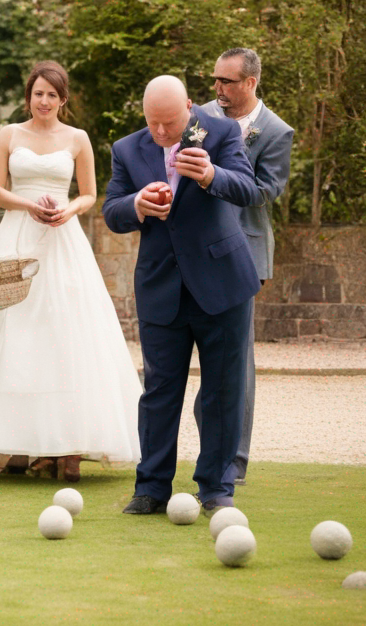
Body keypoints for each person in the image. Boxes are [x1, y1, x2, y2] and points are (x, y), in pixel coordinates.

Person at [0, 62, 142, 482]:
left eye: (52, 95)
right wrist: (29, 205)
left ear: (63, 100)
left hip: (61, 239)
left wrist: (65, 210)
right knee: (13, 335)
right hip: (18, 233)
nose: (44, 101)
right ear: (29, 96)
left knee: (64, 334)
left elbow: (88, 194)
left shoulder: (78, 139)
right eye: (38, 93)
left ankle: (68, 448)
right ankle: (13, 446)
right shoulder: (9, 134)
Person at [104, 76, 261, 514]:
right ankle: (151, 488)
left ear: (190, 107)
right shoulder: (126, 149)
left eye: (169, 123)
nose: (160, 133)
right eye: (152, 122)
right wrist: (136, 204)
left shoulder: (223, 132)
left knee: (222, 391)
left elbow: (249, 191)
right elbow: (111, 209)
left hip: (222, 284)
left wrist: (212, 174)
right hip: (160, 287)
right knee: (158, 390)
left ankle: (215, 487)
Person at [191, 48, 294, 487]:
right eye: (215, 80)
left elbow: (266, 191)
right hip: (194, 247)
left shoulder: (275, 131)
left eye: (227, 81)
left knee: (236, 364)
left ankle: (233, 460)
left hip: (243, 254)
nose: (218, 89)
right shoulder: (198, 117)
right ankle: (209, 451)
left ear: (250, 83)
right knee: (191, 358)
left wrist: (216, 174)